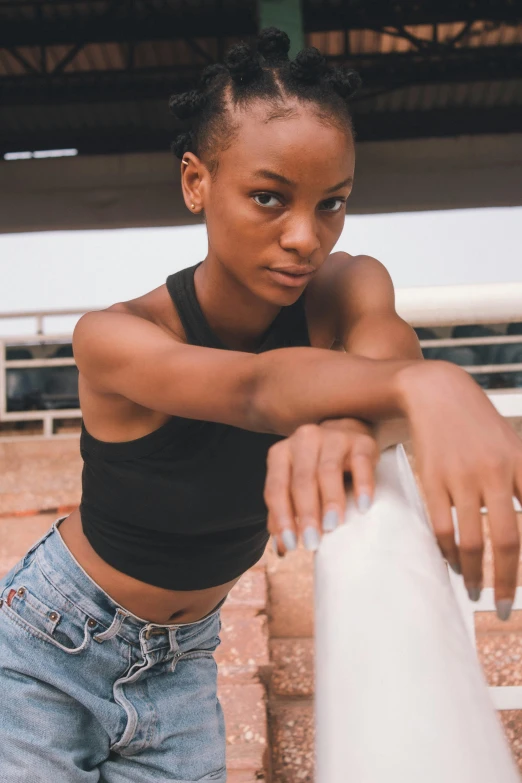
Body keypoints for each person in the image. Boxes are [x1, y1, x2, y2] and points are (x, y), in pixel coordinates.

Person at [1, 27, 521, 782]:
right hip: (50, 647)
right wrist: (429, 384)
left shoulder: (349, 284)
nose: (306, 237)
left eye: (333, 203)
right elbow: (254, 387)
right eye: (269, 197)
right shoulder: (116, 335)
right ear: (196, 181)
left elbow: (382, 346)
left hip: (181, 668)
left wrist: (349, 421)